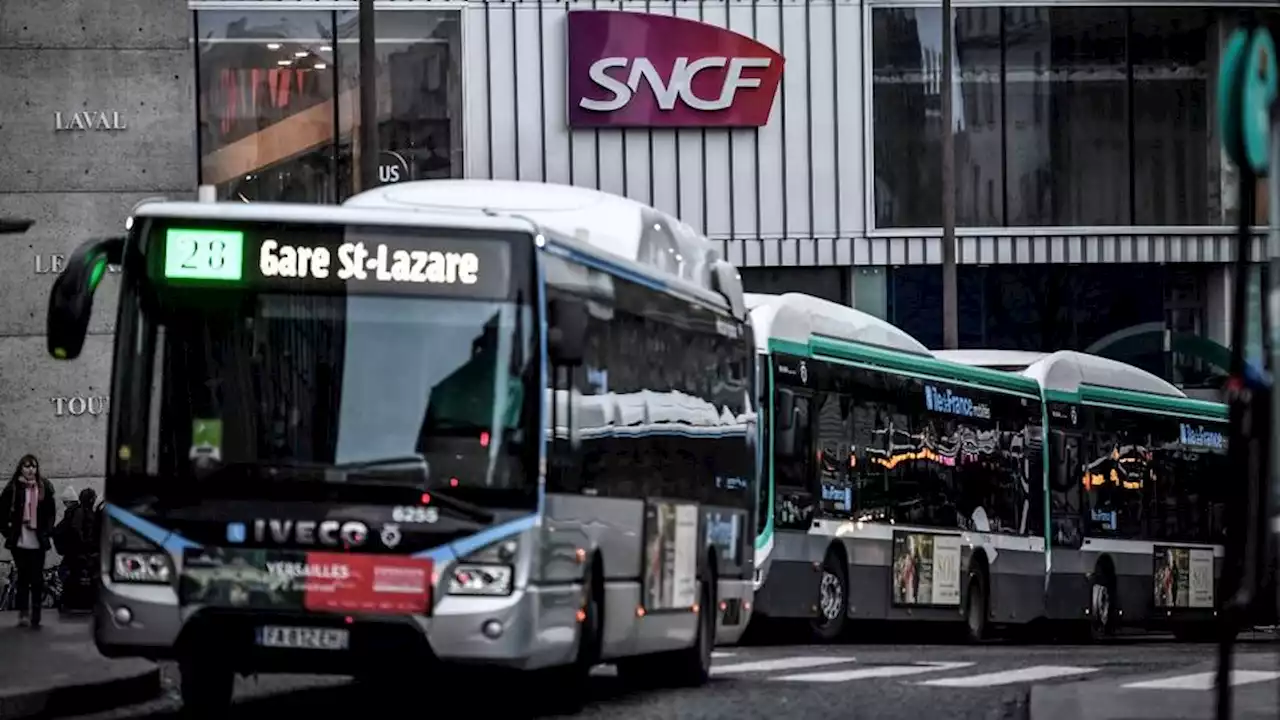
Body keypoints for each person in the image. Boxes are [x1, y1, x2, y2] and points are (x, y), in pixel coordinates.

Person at [0, 455, 56, 628]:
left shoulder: (44, 487)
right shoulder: (13, 488)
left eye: (33, 466)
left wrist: (46, 532)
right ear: (20, 468)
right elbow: (1, 513)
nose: (31, 470)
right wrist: (8, 533)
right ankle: (23, 612)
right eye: (26, 466)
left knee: (37, 578)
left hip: (38, 540)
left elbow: (50, 513)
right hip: (20, 540)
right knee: (23, 578)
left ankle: (36, 614)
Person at [54, 487, 100, 613]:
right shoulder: (83, 512)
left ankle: (70, 601)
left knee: (72, 574)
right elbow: (78, 530)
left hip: (77, 552)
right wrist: (85, 544)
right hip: (81, 552)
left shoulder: (78, 512)